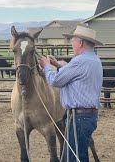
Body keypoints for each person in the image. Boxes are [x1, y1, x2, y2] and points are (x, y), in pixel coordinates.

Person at [40, 25, 104, 162]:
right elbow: (76, 75)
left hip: (79, 118)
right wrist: (58, 65)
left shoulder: (79, 61)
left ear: (80, 43)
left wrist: (46, 66)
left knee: (75, 158)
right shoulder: (94, 60)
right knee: (71, 156)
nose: (71, 44)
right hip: (86, 116)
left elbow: (56, 80)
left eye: (73, 40)